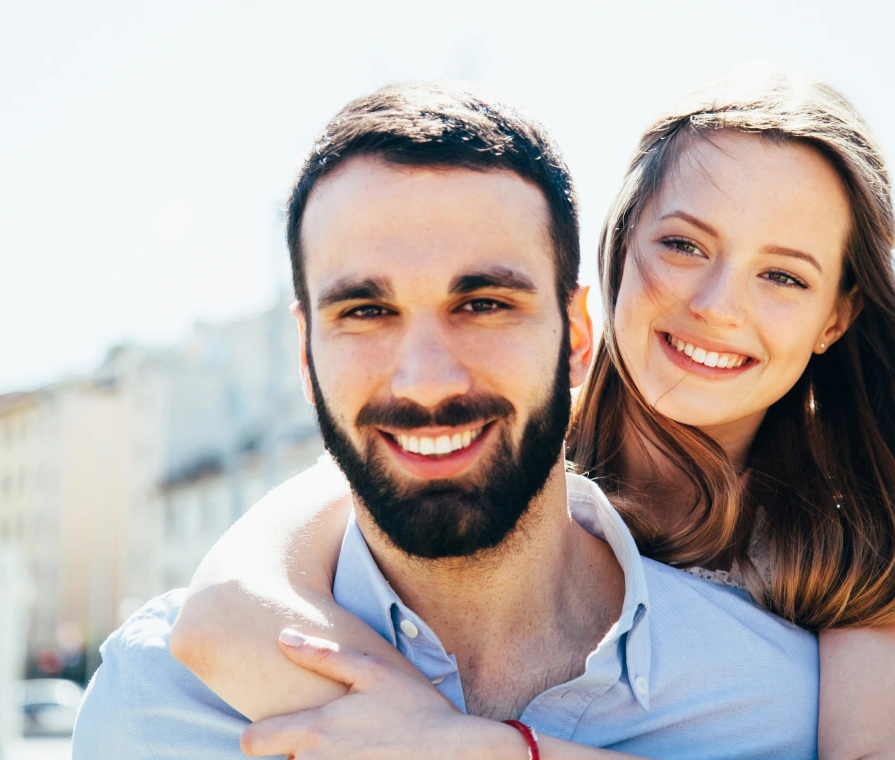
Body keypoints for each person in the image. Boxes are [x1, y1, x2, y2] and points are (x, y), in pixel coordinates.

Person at [171, 68, 895, 759]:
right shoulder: (484, 439)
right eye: (684, 245)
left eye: (785, 276)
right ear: (614, 251)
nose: (718, 306)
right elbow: (223, 615)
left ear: (836, 318)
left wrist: (482, 752)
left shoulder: (849, 564)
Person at [73, 80, 826, 760]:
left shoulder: (780, 707)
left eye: (484, 304)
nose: (426, 380)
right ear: (305, 358)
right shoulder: (158, 708)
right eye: (366, 311)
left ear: (577, 338)